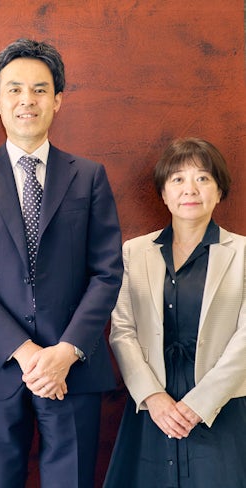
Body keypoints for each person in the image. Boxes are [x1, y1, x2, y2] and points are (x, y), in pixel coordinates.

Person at [0, 38, 123, 488]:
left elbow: (107, 273)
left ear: (57, 100)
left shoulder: (89, 176)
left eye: (40, 90)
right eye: (15, 89)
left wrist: (65, 351)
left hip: (73, 368)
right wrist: (25, 352)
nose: (28, 100)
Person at [104, 137, 246, 487]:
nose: (190, 189)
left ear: (219, 191)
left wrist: (201, 402)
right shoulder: (134, 252)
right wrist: (152, 397)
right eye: (178, 179)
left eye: (203, 178)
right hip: (152, 409)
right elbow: (122, 331)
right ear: (164, 193)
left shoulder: (242, 253)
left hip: (223, 407)